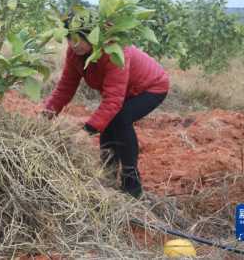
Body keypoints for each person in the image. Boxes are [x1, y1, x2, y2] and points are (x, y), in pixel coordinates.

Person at [42, 18, 169, 198]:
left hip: (151, 86)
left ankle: (132, 186)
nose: (73, 44)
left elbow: (113, 101)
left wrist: (86, 131)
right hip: (124, 91)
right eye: (69, 38)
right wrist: (46, 114)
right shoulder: (74, 53)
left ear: (93, 36)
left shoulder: (114, 51)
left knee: (120, 119)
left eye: (78, 38)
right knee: (109, 123)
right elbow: (66, 87)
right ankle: (108, 176)